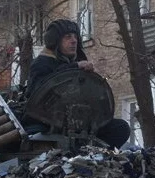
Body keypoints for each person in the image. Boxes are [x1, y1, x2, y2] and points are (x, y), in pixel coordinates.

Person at [26, 18, 132, 147]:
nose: (74, 40)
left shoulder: (76, 63)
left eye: (75, 36)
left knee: (120, 128)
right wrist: (74, 67)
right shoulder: (42, 63)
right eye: (67, 37)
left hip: (81, 124)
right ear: (54, 41)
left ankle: (94, 157)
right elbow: (38, 94)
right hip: (48, 124)